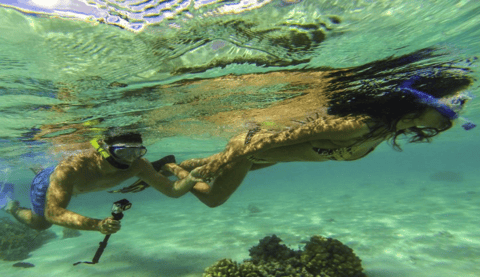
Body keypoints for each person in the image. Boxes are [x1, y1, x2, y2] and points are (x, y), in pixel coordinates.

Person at [114, 49, 476, 208]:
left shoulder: (382, 129)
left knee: (212, 166)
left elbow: (288, 148)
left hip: (265, 156)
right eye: (446, 116)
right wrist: (226, 159)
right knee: (212, 198)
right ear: (420, 104)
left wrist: (224, 159)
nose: (446, 124)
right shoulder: (359, 125)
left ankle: (171, 163)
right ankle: (173, 169)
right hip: (253, 146)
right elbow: (280, 138)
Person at [3, 131, 206, 234]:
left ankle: (38, 167)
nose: (130, 160)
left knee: (53, 176)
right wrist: (97, 224)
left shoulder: (139, 165)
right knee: (41, 224)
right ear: (103, 148)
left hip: (72, 185)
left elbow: (171, 191)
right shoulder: (72, 168)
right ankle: (11, 206)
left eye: (137, 152)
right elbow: (53, 212)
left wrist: (190, 179)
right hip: (47, 184)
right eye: (123, 152)